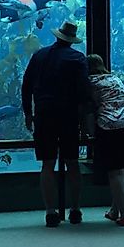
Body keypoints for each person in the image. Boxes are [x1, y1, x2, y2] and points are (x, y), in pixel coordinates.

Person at [22, 21, 90, 227]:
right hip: (68, 117)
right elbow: (83, 92)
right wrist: (84, 122)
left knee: (47, 164)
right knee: (72, 162)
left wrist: (28, 113)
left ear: (57, 36)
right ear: (71, 40)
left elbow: (26, 86)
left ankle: (50, 212)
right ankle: (75, 210)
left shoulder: (39, 56)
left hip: (43, 115)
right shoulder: (77, 58)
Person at [86, 54, 124, 227]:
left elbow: (89, 110)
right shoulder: (115, 78)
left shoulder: (90, 83)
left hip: (111, 127)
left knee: (115, 172)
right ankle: (115, 210)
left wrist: (90, 133)